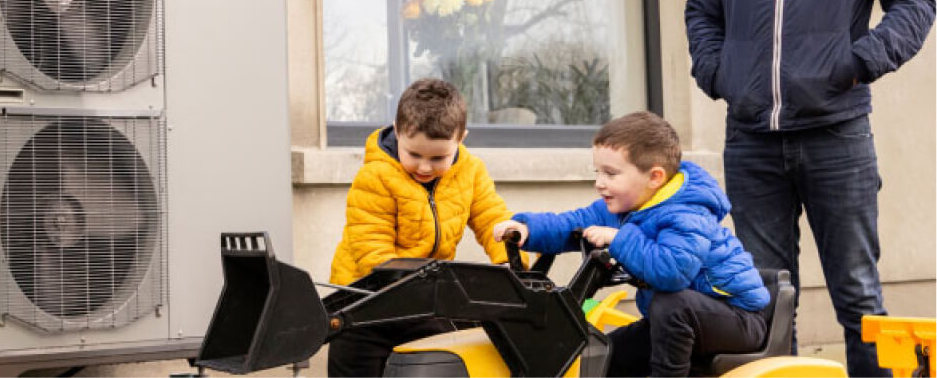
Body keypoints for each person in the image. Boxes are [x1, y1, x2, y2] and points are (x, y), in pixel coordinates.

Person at [684, 0, 935, 376]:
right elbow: (702, 12)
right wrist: (719, 73)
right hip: (751, 139)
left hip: (837, 136)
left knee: (858, 295)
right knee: (766, 301)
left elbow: (915, 1)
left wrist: (858, 63)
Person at [493, 111, 770, 378]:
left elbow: (673, 272)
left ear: (655, 177)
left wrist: (618, 239)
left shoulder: (687, 212)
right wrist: (528, 229)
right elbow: (574, 223)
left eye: (611, 174)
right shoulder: (623, 206)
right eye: (597, 172)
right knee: (602, 358)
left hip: (737, 319)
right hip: (672, 324)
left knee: (671, 304)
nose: (599, 183)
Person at [327, 77, 522, 377]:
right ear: (398, 130)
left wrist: (510, 260)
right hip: (364, 303)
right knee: (354, 367)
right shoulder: (376, 176)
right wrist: (419, 287)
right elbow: (371, 249)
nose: (425, 167)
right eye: (414, 155)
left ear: (461, 138)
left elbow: (491, 218)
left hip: (422, 301)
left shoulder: (470, 171)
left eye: (438, 157)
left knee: (441, 359)